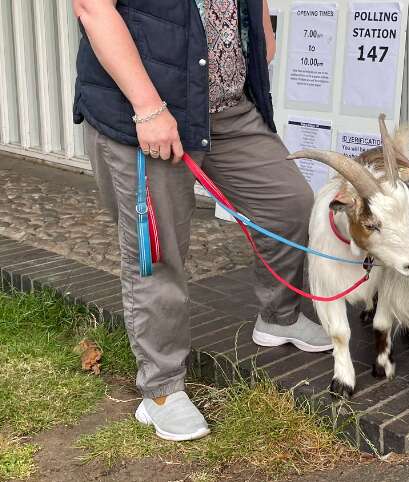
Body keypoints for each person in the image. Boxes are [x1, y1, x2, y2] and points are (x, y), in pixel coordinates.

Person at [72, 0, 332, 441]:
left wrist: (262, 28)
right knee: (159, 250)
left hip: (227, 108)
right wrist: (148, 108)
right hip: (147, 115)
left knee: (290, 204)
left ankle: (280, 316)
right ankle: (161, 388)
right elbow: (92, 8)